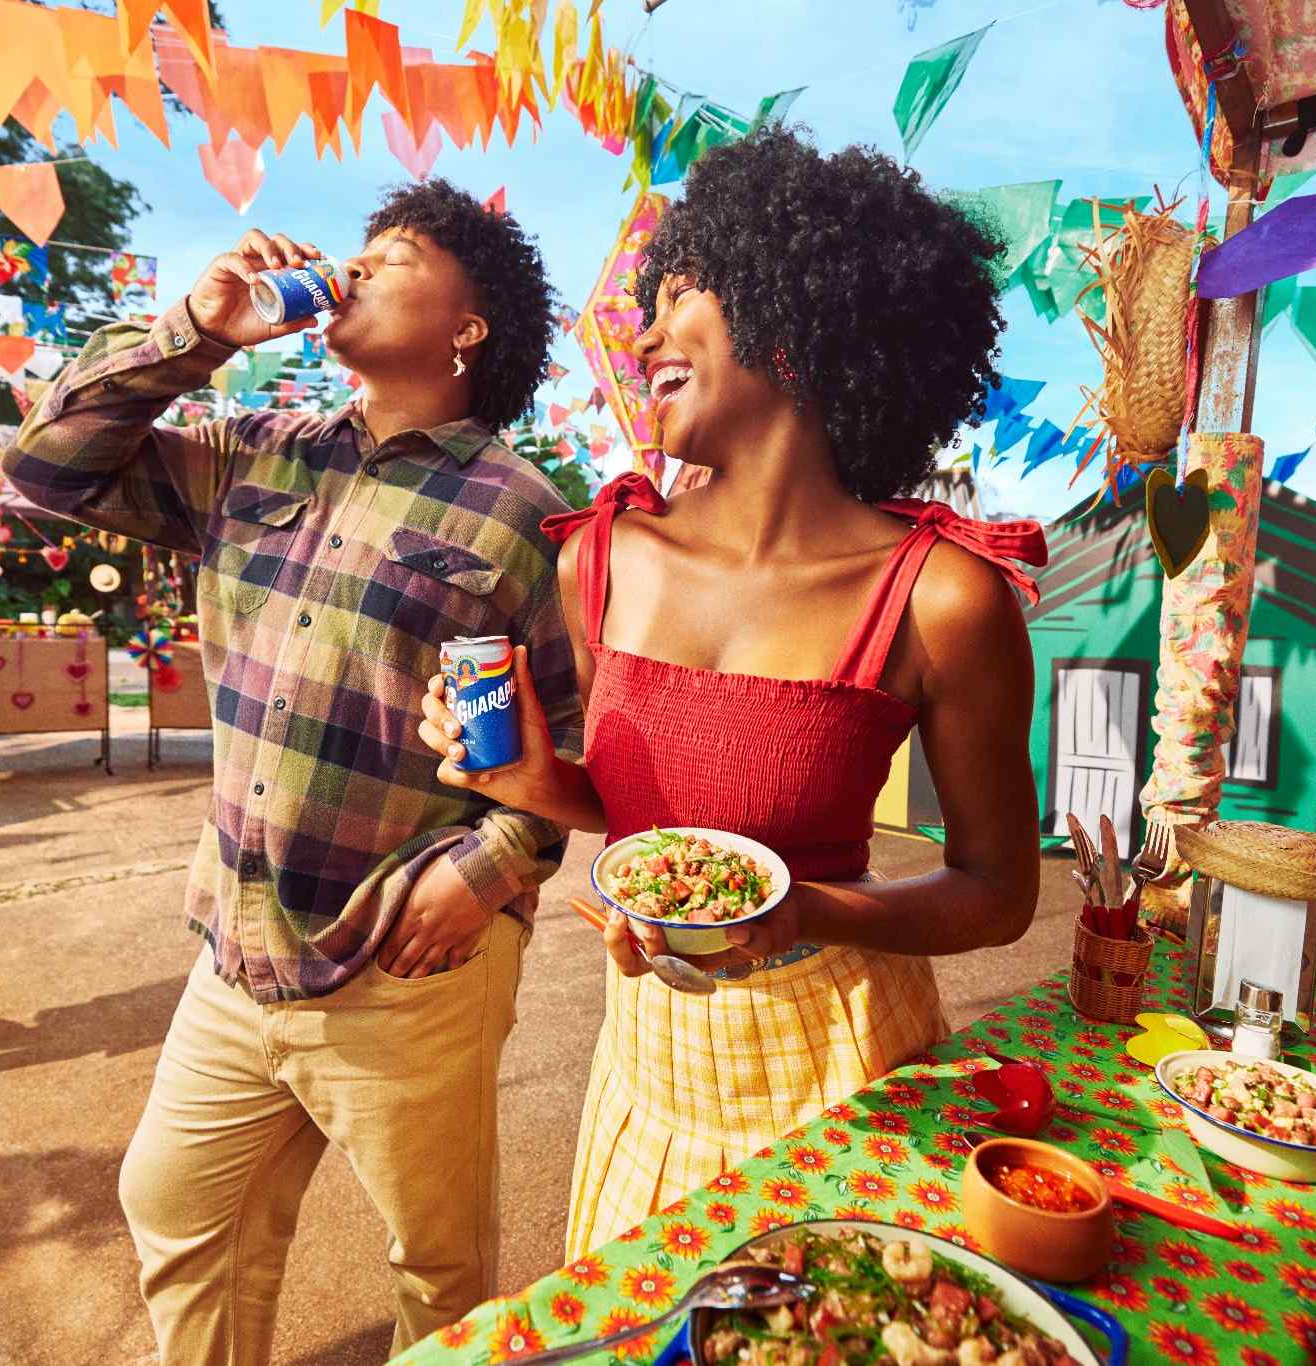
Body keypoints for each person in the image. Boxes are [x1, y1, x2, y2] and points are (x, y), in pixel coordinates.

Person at [418, 127, 1048, 1256]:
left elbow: (997, 892)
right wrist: (533, 782)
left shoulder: (941, 599)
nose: (644, 330)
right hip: (650, 1057)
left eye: (678, 295)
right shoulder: (598, 560)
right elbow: (659, 825)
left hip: (840, 1051)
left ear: (795, 318)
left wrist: (801, 911)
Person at [4, 180, 581, 1361]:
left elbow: (572, 736)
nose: (356, 268)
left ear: (467, 327)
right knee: (173, 1203)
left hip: (408, 959)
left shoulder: (522, 514)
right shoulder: (251, 455)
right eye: (356, 251)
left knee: (437, 1265)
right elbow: (47, 466)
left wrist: (492, 864)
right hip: (238, 941)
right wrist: (198, 332)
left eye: (394, 254)